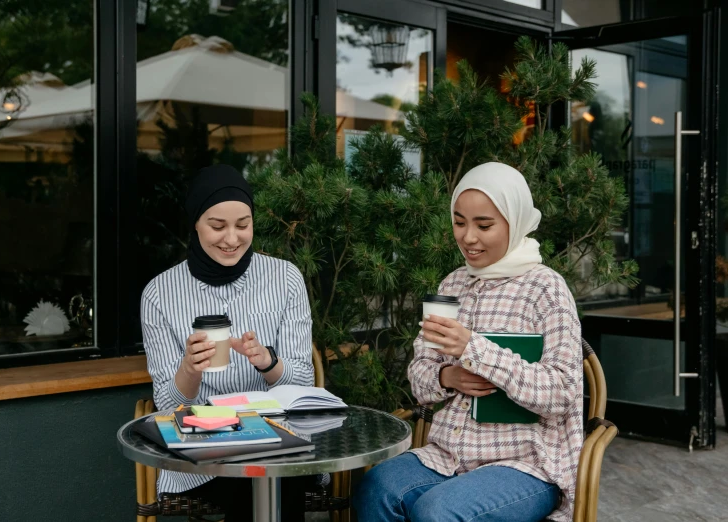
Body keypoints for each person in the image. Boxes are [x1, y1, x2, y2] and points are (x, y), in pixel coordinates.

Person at [355, 162, 583, 522]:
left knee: (438, 511)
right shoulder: (452, 285)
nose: (468, 237)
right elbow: (420, 375)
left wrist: (473, 350)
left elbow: (562, 394)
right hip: (446, 455)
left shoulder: (546, 289)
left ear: (516, 220)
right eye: (459, 222)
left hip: (523, 464)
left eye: (484, 225)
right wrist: (448, 377)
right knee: (378, 487)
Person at [141, 164, 314, 521]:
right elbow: (167, 405)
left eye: (243, 225)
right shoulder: (159, 294)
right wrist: (189, 369)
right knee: (251, 483)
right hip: (205, 445)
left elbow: (304, 383)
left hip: (278, 435)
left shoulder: (285, 279)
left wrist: (268, 361)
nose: (231, 239)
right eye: (217, 226)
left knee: (276, 478)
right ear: (195, 223)